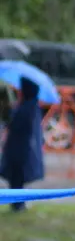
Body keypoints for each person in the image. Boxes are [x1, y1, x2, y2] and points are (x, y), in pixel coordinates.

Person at [0, 78, 45, 213]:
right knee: (16, 177)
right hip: (21, 148)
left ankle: (17, 204)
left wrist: (11, 112)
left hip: (19, 148)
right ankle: (17, 203)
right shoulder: (31, 105)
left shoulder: (27, 107)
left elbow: (16, 125)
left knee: (17, 177)